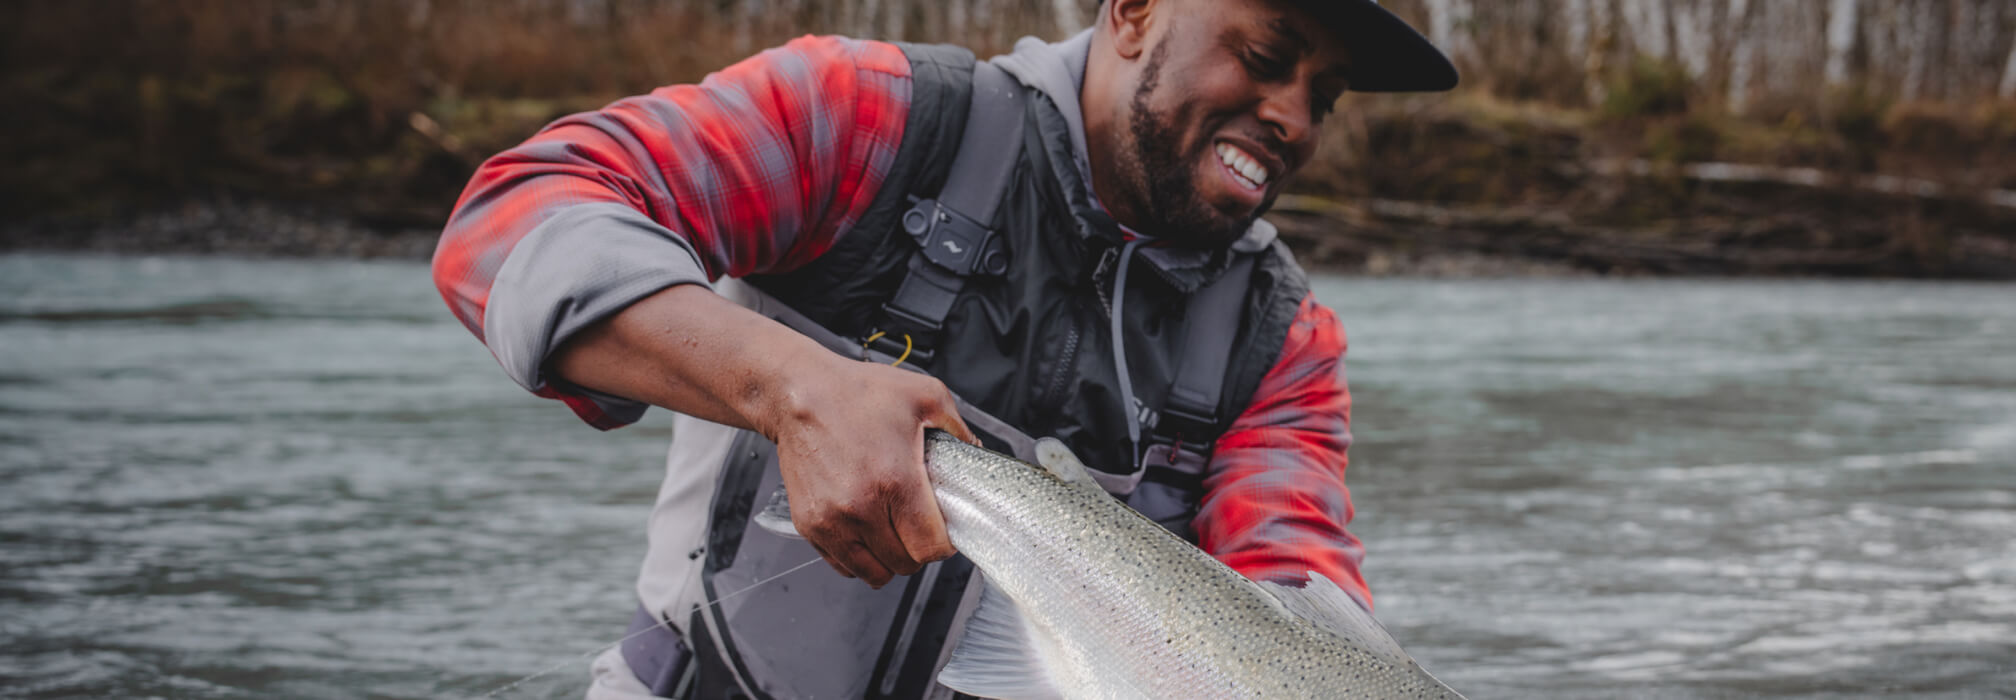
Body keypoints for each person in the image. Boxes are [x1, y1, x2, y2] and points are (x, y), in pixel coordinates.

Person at [430, 0, 1455, 697]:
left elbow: (1296, 591)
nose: (1291, 116)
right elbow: (516, 216)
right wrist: (791, 387)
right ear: (1135, 8)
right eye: (1269, 58)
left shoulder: (1284, 337)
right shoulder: (868, 115)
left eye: (1324, 96)